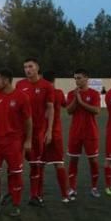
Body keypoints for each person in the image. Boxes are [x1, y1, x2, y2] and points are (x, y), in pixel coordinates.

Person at [0, 68, 32, 217]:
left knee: (16, 174)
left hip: (14, 142)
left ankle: (16, 205)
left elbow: (28, 121)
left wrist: (28, 140)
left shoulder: (22, 97)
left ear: (6, 80)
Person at [14, 58, 55, 206]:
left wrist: (49, 130)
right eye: (25, 67)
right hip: (19, 132)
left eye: (30, 66)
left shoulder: (47, 86)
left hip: (38, 132)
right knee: (15, 164)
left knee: (36, 164)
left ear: (37, 68)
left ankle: (35, 195)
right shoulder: (19, 85)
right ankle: (14, 193)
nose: (27, 70)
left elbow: (51, 108)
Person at [65, 68, 102, 198]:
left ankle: (94, 187)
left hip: (91, 133)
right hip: (75, 133)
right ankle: (72, 188)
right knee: (73, 160)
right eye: (75, 78)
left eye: (79, 78)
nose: (77, 81)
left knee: (93, 161)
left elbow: (97, 111)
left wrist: (81, 101)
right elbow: (69, 111)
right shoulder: (71, 94)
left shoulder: (94, 94)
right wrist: (76, 99)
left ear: (87, 78)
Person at [39, 72, 70, 203]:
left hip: (41, 133)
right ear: (54, 80)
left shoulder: (40, 93)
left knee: (40, 165)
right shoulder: (58, 93)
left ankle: (38, 195)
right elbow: (66, 105)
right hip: (55, 133)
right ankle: (64, 195)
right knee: (59, 163)